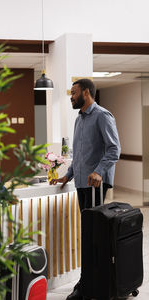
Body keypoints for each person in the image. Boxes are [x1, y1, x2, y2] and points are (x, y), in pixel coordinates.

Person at [50, 78, 121, 300]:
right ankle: (90, 281)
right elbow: (79, 156)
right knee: (89, 234)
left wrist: (99, 171)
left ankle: (90, 284)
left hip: (95, 185)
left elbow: (114, 149)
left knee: (93, 235)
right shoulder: (79, 119)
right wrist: (67, 176)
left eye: (74, 92)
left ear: (87, 93)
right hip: (82, 183)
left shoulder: (102, 115)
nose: (71, 96)